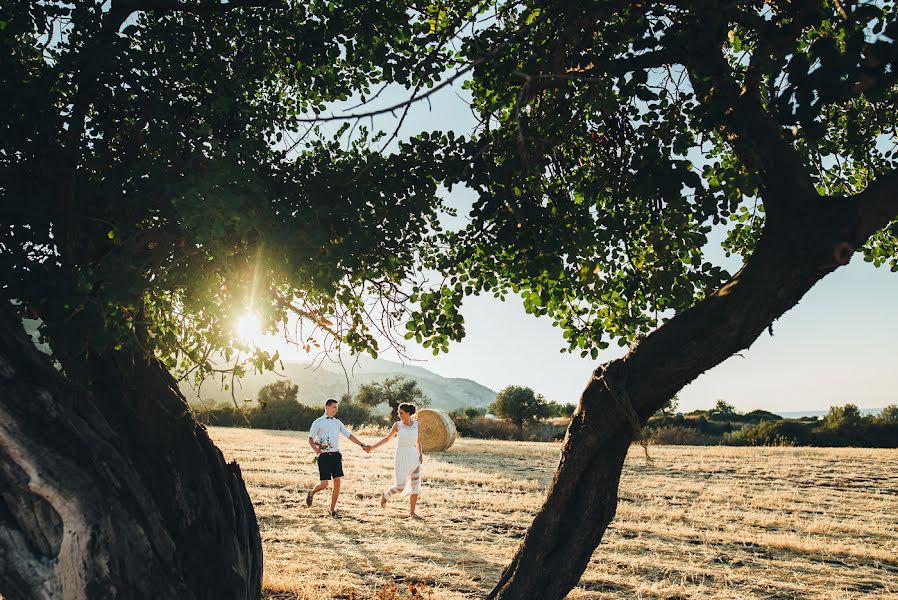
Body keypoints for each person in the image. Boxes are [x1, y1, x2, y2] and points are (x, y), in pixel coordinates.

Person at [306, 398, 370, 518]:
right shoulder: (318, 422)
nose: (336, 410)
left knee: (337, 482)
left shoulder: (338, 423)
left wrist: (361, 444)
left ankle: (332, 509)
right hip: (323, 456)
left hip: (336, 455)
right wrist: (315, 449)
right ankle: (312, 492)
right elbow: (310, 438)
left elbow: (349, 435)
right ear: (327, 407)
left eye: (337, 407)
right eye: (334, 407)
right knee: (324, 484)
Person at [368, 402, 424, 519]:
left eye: (402, 413)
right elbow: (387, 439)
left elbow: (418, 441)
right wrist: (373, 447)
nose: (400, 415)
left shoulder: (417, 425)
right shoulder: (397, 425)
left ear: (409, 413)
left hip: (413, 456)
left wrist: (420, 454)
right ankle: (385, 495)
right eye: (399, 413)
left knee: (415, 486)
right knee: (400, 486)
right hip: (401, 456)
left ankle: (412, 512)